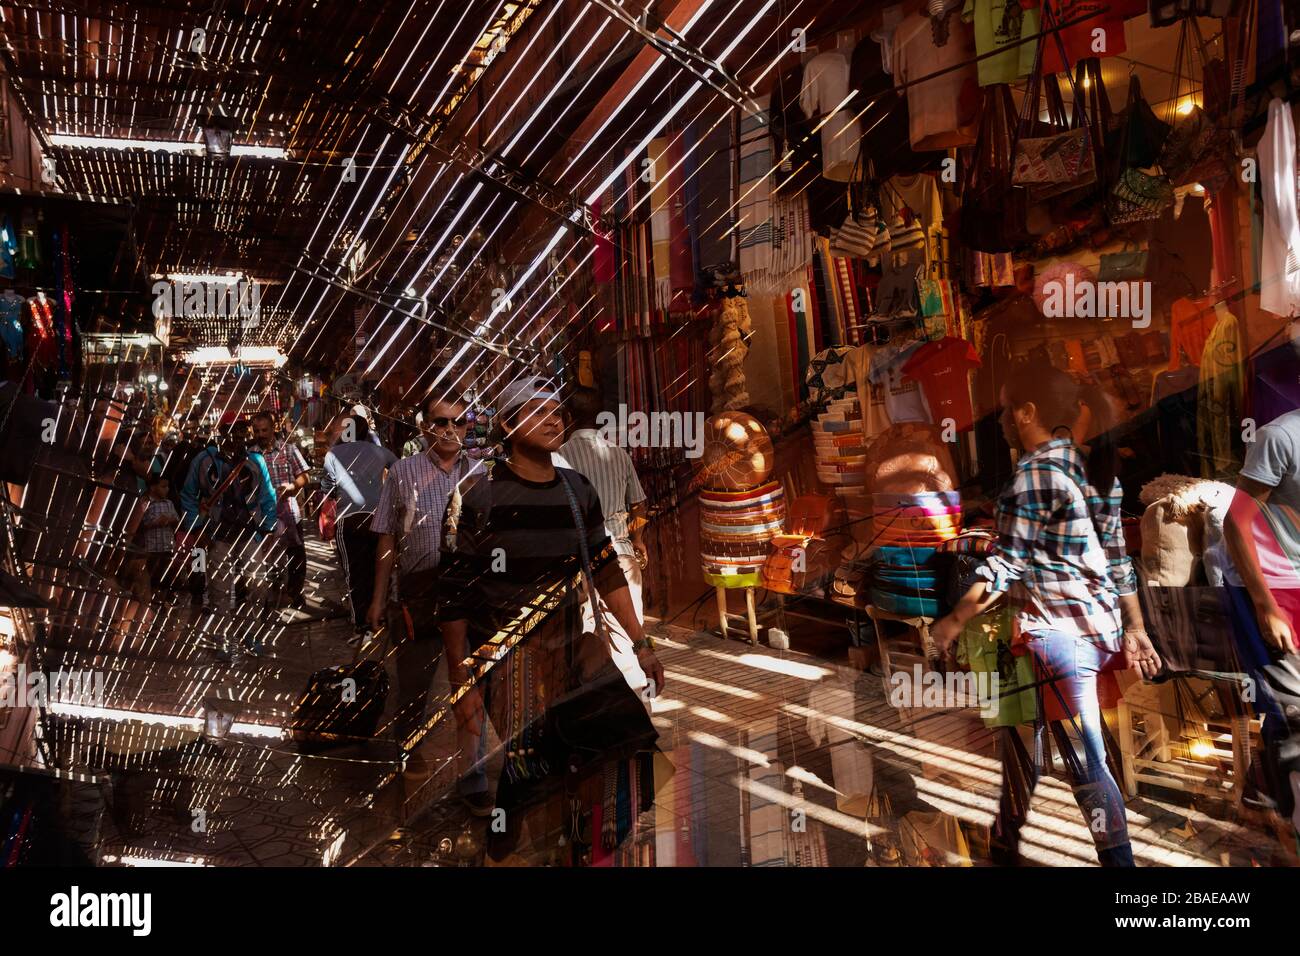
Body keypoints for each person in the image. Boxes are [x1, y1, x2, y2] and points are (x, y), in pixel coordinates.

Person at [931, 364, 1160, 867]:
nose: (1000, 423)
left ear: (1028, 413)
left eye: (1006, 411)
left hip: (1059, 637)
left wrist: (954, 619)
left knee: (1086, 762)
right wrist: (1136, 628)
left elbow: (1005, 567)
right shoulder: (1092, 466)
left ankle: (1120, 867)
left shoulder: (1033, 476)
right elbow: (1120, 561)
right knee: (1020, 734)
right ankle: (1004, 842)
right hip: (1086, 630)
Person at [437, 377, 665, 862]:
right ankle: (516, 838)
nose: (554, 419)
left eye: (558, 412)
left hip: (568, 655)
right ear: (508, 424)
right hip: (507, 667)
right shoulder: (483, 497)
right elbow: (453, 597)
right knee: (534, 769)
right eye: (537, 412)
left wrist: (642, 643)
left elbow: (605, 569)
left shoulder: (576, 491)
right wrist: (463, 682)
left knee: (608, 749)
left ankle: (572, 847)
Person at [368, 392, 489, 806]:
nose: (451, 430)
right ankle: (408, 754)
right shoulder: (402, 472)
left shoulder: (481, 474)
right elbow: (386, 536)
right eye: (441, 422)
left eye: (458, 421)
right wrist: (378, 598)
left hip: (469, 595)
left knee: (468, 680)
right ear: (426, 427)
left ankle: (471, 768)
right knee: (414, 683)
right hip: (417, 595)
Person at [1222, 404, 1300, 831]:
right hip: (1274, 584)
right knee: (1295, 708)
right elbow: (1236, 522)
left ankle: (1260, 791)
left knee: (1291, 709)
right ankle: (1283, 812)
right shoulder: (1280, 437)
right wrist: (1265, 606)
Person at [559, 385, 652, 694]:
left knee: (587, 637)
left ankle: (599, 704)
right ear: (600, 419)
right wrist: (637, 539)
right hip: (620, 553)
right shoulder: (618, 453)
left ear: (568, 417)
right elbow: (639, 506)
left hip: (580, 561)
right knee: (628, 633)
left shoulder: (558, 458)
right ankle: (636, 702)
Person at [179, 417, 280, 660]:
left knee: (258, 585)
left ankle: (250, 632)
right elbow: (188, 494)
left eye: (241, 431)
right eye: (231, 431)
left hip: (248, 533)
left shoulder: (254, 461)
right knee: (220, 591)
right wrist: (199, 527)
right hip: (218, 535)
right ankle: (222, 639)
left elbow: (268, 494)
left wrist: (266, 527)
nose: (237, 436)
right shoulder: (204, 461)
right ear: (222, 432)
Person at [321, 414, 396, 643]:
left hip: (349, 520)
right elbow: (399, 469)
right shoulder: (379, 452)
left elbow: (328, 487)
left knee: (354, 574)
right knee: (379, 569)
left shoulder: (332, 454)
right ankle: (380, 617)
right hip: (378, 518)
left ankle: (361, 627)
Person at [251, 411, 310, 608]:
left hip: (288, 512)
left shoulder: (288, 449)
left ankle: (295, 592)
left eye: (264, 430)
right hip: (263, 516)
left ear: (273, 428)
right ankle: (273, 593)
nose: (261, 434)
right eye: (257, 430)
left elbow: (304, 477)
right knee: (267, 556)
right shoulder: (251, 455)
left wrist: (292, 487)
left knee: (296, 554)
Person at [138, 473, 179, 589]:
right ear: (152, 487)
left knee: (165, 575)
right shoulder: (145, 502)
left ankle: (163, 598)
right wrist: (155, 522)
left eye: (168, 486)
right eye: (163, 486)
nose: (167, 489)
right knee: (151, 575)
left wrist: (170, 520)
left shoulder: (169, 503)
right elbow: (141, 522)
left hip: (167, 547)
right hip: (152, 548)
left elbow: (176, 519)